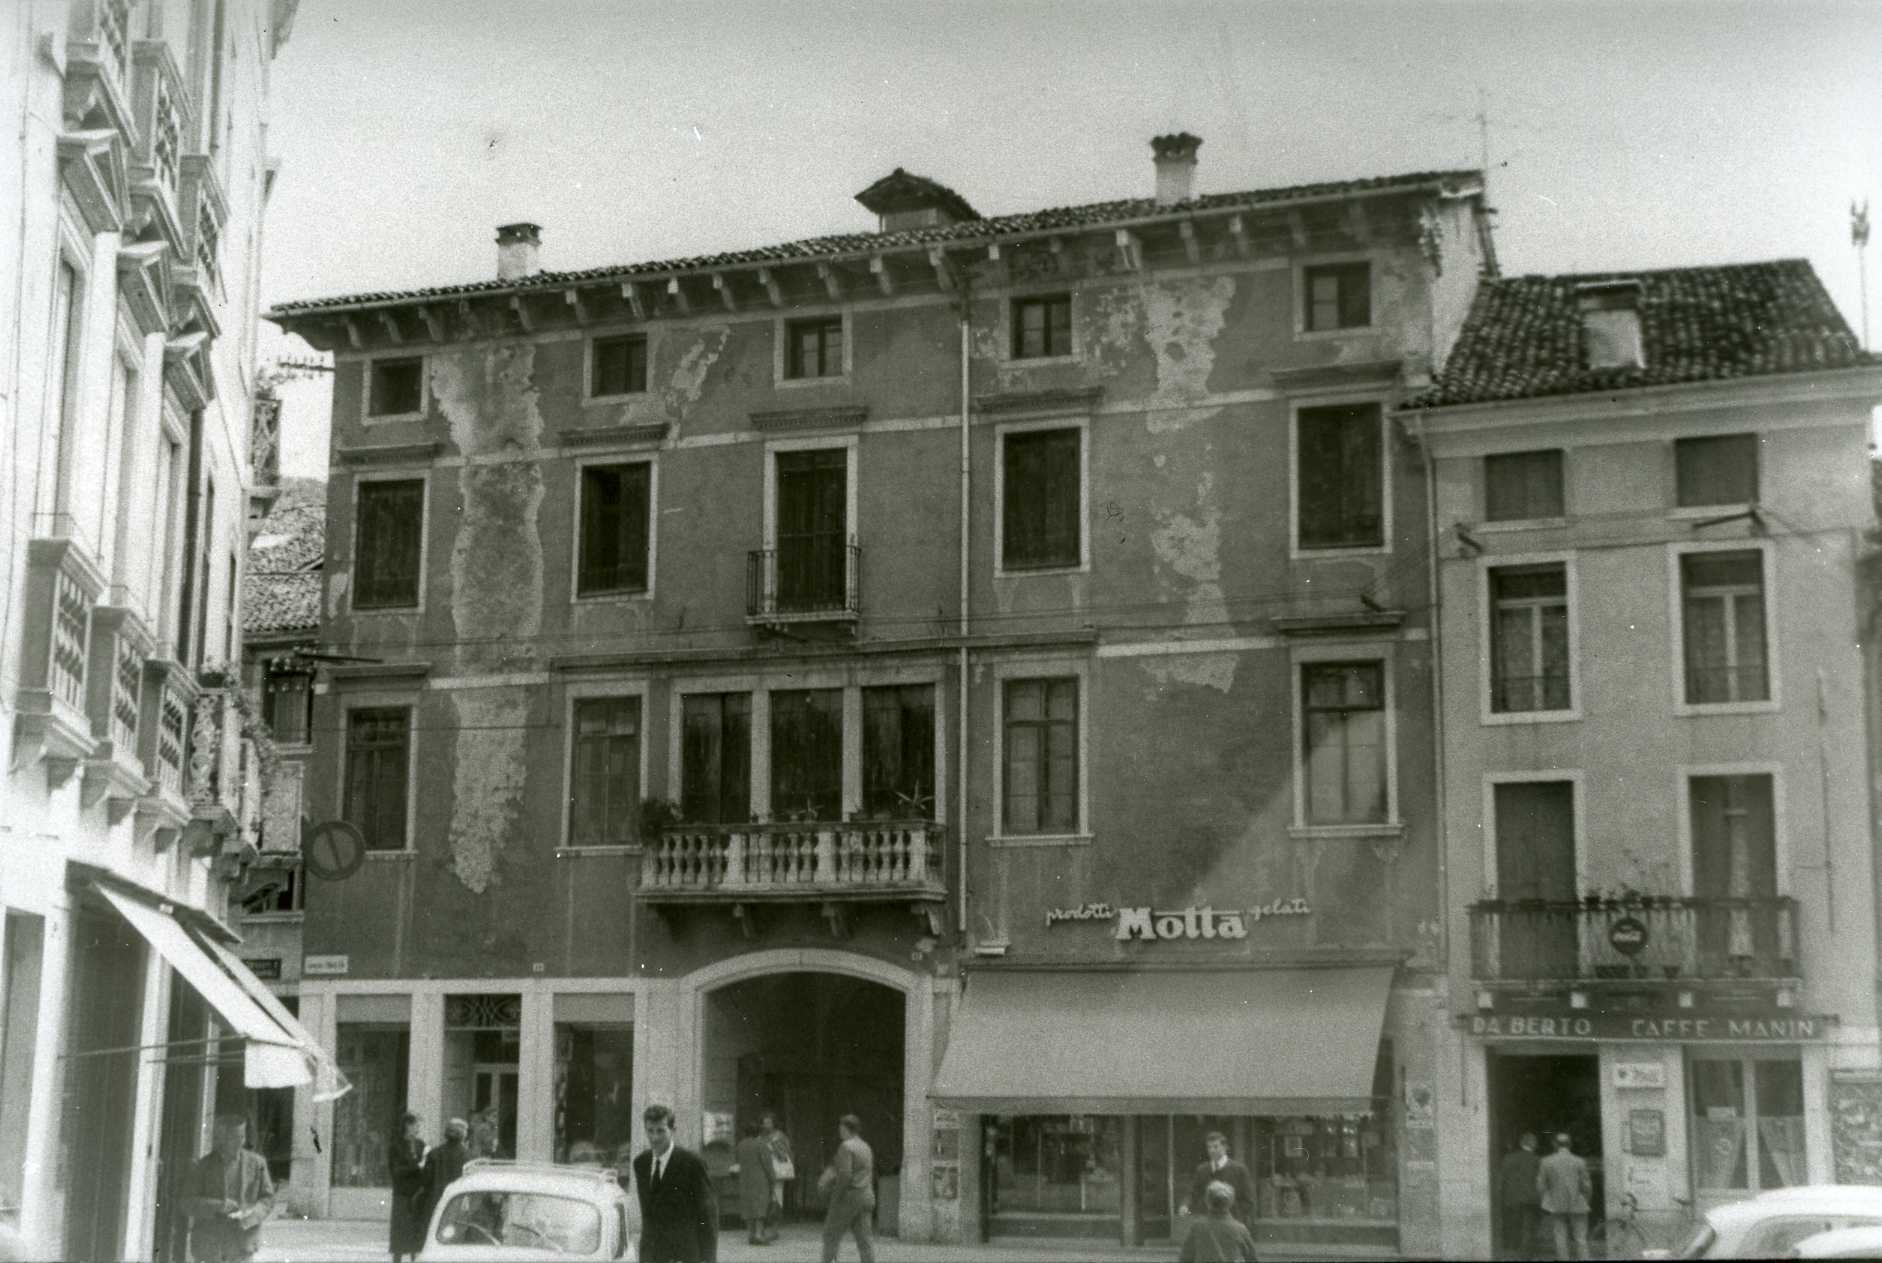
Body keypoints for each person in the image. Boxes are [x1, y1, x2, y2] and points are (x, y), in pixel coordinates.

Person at [183, 1114, 276, 1263]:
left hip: (243, 1243)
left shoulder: (257, 1164)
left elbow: (268, 1199)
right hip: (210, 1245)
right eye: (233, 1138)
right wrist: (218, 1205)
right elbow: (186, 1203)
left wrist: (251, 1215)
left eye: (242, 1137)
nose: (239, 1142)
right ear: (220, 1140)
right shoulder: (202, 1166)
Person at [632, 1103, 718, 1263]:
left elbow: (707, 1214)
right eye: (650, 1131)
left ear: (673, 1130)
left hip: (683, 1255)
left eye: (660, 1131)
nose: (654, 1137)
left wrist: (708, 1258)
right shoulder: (641, 1163)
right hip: (651, 1255)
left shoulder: (691, 1163)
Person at [820, 1114, 875, 1263]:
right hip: (866, 1195)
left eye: (841, 1127)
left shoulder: (846, 1146)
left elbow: (845, 1175)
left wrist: (835, 1196)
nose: (839, 1131)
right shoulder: (866, 1146)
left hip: (849, 1196)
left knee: (830, 1235)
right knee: (864, 1240)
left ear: (846, 1129)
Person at [1536, 1131, 1592, 1260]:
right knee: (1580, 1238)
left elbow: (1541, 1185)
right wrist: (1586, 1200)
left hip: (1556, 1203)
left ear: (1555, 1145)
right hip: (1578, 1202)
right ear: (1570, 1145)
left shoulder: (1546, 1161)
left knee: (1559, 1237)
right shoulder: (1579, 1161)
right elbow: (1587, 1185)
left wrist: (1545, 1201)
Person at [1182, 1131, 1255, 1225]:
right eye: (1209, 1147)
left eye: (1215, 1146)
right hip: (1207, 1224)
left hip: (1231, 1223)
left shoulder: (1239, 1170)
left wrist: (1238, 1219)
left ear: (1225, 1147)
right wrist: (1185, 1205)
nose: (1212, 1150)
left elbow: (1248, 1201)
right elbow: (1193, 1193)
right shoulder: (1202, 1170)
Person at [1179, 1181, 1259, 1263]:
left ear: (1207, 1201)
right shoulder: (1240, 1229)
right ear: (1230, 1203)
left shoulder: (1197, 1227)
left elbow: (1185, 1258)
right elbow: (1252, 1258)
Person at [388, 1112, 429, 1263]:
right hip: (403, 1193)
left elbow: (426, 1163)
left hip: (417, 1193)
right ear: (407, 1126)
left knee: (415, 1232)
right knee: (400, 1233)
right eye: (415, 1125)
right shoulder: (396, 1146)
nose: (418, 1128)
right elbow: (396, 1171)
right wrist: (416, 1167)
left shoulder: (420, 1144)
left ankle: (414, 1259)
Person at [421, 1118, 473, 1226]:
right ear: (463, 1135)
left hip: (435, 1202)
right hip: (457, 1202)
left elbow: (425, 1180)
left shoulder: (434, 1153)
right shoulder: (468, 1156)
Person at [1497, 1132, 1541, 1259]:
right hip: (1530, 1199)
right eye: (1535, 1142)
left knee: (1513, 1226)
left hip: (1511, 1199)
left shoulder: (1508, 1158)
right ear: (1532, 1144)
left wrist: (1503, 1196)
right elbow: (1539, 1181)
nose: (1536, 1144)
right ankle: (1525, 1256)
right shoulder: (1536, 1160)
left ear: (1522, 1144)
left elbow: (1502, 1179)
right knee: (1528, 1228)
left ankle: (1512, 1254)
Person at [733, 1121, 776, 1246]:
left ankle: (750, 1234)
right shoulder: (761, 1145)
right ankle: (758, 1234)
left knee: (748, 1206)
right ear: (758, 1132)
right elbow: (767, 1165)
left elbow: (738, 1161)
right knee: (760, 1207)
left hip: (745, 1180)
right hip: (760, 1180)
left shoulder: (740, 1145)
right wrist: (772, 1179)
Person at [760, 1111, 794, 1244]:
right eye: (764, 1122)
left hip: (777, 1170)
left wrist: (774, 1147)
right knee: (766, 1199)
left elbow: (786, 1153)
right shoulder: (762, 1137)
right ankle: (766, 1227)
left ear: (774, 1123)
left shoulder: (780, 1136)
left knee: (776, 1199)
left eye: (768, 1122)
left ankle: (774, 1228)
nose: (765, 1124)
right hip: (764, 1171)